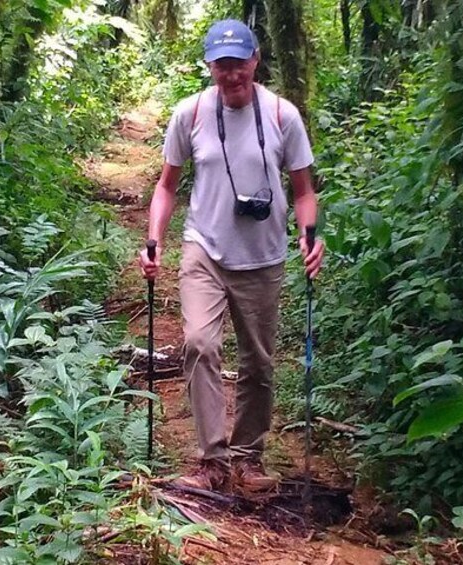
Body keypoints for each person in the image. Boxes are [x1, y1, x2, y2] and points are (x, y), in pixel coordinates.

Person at [139, 19, 323, 493]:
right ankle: (212, 461)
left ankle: (247, 457)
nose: (232, 75)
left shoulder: (283, 116)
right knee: (200, 344)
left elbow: (304, 191)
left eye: (239, 64)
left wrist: (309, 234)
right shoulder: (191, 114)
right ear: (210, 67)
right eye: (222, 66)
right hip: (205, 248)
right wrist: (153, 239)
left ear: (255, 60)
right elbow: (166, 186)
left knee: (258, 363)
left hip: (263, 258)